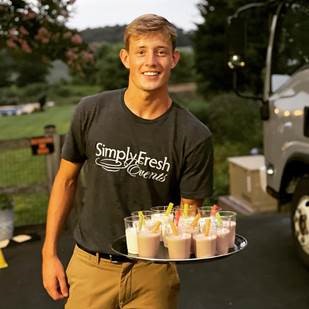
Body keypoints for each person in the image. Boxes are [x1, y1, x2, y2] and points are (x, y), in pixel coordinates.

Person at [42, 14, 213, 309]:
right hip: (90, 267)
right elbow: (66, 180)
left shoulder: (194, 135)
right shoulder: (91, 111)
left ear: (174, 59)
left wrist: (201, 232)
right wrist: (49, 254)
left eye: (160, 52)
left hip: (154, 273)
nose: (151, 62)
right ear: (125, 58)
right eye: (141, 52)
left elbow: (188, 215)